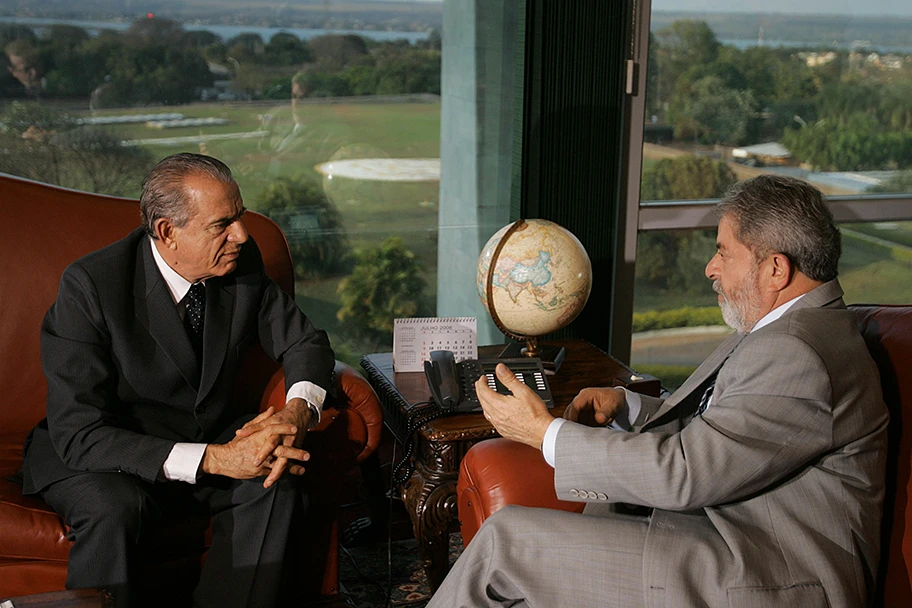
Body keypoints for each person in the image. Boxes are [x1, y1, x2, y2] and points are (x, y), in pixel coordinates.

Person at [429, 175, 889, 608]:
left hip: (768, 575)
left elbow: (686, 473)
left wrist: (543, 433)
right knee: (579, 528)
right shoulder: (794, 327)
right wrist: (627, 405)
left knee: (503, 544)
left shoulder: (799, 352)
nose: (711, 268)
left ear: (775, 269)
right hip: (728, 535)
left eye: (724, 253)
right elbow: (726, 435)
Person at [19, 153, 336, 608]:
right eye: (222, 224)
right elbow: (80, 432)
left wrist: (297, 410)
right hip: (106, 450)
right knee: (114, 509)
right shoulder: (91, 286)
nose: (242, 235)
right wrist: (216, 459)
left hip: (206, 435)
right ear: (168, 231)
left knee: (275, 479)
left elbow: (306, 343)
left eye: (240, 217)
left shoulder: (239, 261)